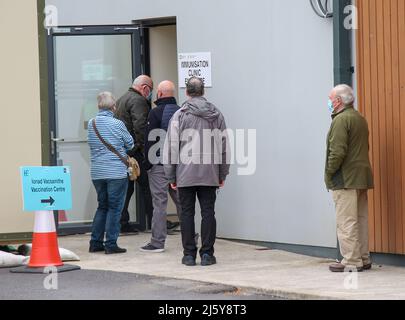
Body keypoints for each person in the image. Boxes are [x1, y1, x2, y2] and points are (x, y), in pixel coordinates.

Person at [163, 77, 230, 266]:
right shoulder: (216, 115)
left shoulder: (179, 115)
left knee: (186, 213)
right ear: (203, 92)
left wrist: (171, 175)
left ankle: (189, 255)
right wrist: (222, 173)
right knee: (208, 212)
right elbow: (224, 146)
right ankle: (207, 254)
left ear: (187, 92)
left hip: (185, 173)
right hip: (209, 173)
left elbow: (171, 148)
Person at [325, 84, 374, 272]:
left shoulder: (340, 120)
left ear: (338, 101)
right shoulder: (359, 118)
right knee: (360, 219)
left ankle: (352, 261)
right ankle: (363, 257)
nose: (329, 102)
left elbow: (337, 152)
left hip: (345, 178)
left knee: (346, 221)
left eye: (330, 99)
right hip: (361, 176)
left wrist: (329, 173)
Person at [88, 92, 134, 254]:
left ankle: (95, 242)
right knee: (115, 208)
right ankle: (111, 244)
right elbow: (130, 143)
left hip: (97, 172)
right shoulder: (118, 124)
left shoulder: (91, 123)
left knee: (102, 206)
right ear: (114, 107)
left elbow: (91, 145)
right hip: (115, 172)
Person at [140, 80, 182, 253]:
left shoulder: (155, 112)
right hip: (179, 165)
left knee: (159, 203)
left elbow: (150, 139)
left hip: (159, 164)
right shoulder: (181, 112)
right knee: (182, 203)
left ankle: (157, 242)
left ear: (160, 93)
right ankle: (192, 238)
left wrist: (147, 164)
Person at [115, 75, 154, 233]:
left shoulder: (122, 99)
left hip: (123, 153)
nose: (150, 94)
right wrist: (145, 151)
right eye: (150, 90)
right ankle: (154, 221)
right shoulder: (138, 101)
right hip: (135, 153)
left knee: (127, 188)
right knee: (148, 187)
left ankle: (122, 222)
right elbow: (141, 127)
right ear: (145, 88)